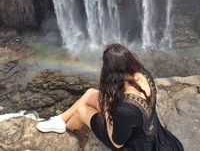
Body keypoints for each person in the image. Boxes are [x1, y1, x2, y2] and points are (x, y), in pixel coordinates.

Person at [36, 43, 184, 151]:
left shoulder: (124, 109)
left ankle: (67, 129)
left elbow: (117, 142)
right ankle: (60, 120)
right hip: (146, 131)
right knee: (90, 93)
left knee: (82, 111)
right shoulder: (142, 75)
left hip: (135, 146)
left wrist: (107, 111)